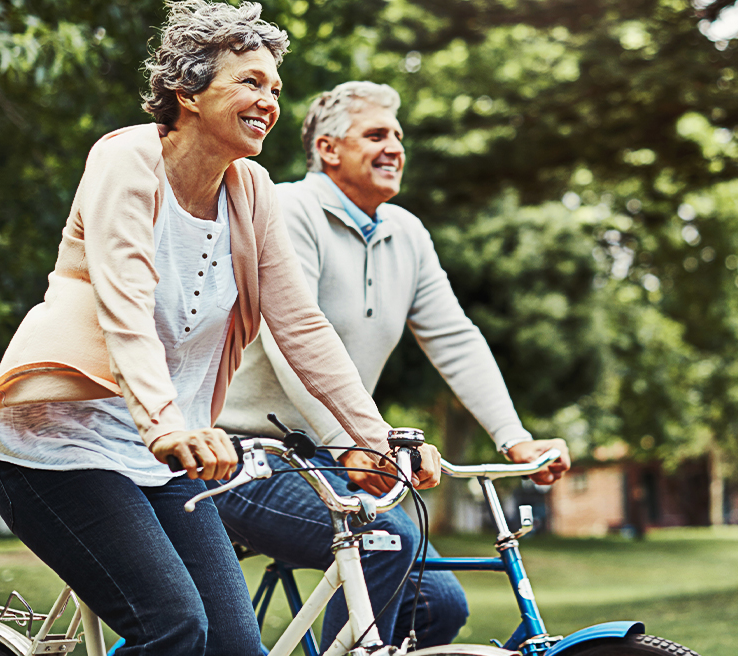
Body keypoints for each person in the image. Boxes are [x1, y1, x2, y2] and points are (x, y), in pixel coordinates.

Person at [0, 7, 440, 655]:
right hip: (61, 452)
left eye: (273, 87)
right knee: (175, 628)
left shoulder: (251, 190)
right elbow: (124, 305)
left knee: (235, 647)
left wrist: (378, 438)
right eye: (249, 82)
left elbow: (301, 328)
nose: (267, 101)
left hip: (166, 464)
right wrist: (167, 425)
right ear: (187, 93)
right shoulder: (127, 160)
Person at [214, 81, 572, 649]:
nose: (395, 147)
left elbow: (455, 338)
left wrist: (514, 439)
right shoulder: (288, 208)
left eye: (399, 136)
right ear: (329, 149)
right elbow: (291, 339)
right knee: (385, 538)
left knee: (440, 604)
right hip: (240, 456)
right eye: (377, 134)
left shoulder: (407, 233)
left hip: (330, 457)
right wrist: (354, 441)